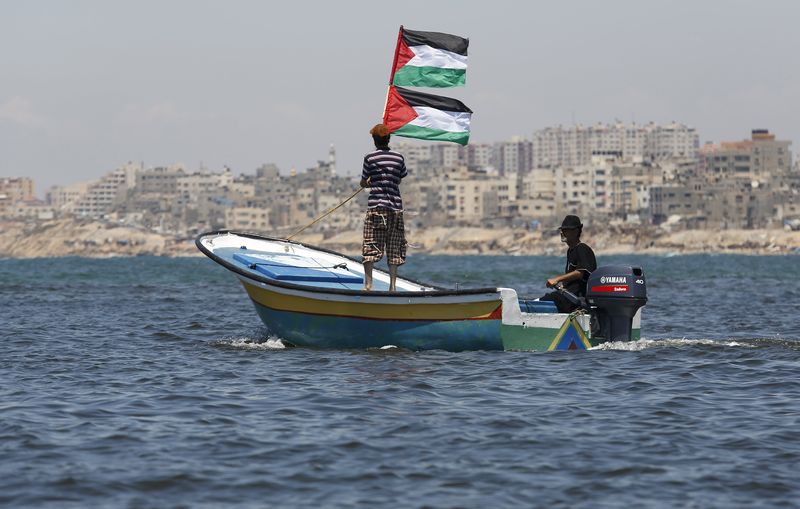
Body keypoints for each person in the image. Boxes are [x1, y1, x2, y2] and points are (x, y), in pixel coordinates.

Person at [360, 123, 408, 291]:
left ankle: (368, 285)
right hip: (395, 208)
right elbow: (399, 179)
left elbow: (364, 182)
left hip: (376, 207)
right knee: (394, 247)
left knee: (370, 244)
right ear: (388, 139)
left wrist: (370, 182)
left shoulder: (369, 158)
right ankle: (393, 287)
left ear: (374, 140)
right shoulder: (399, 157)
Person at [540, 214, 597, 312]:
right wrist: (565, 285)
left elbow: (580, 273)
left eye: (566, 230)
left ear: (575, 231)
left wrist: (557, 279)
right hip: (569, 295)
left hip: (577, 298)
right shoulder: (571, 251)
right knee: (548, 298)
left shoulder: (582, 249)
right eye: (562, 230)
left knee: (547, 300)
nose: (562, 232)